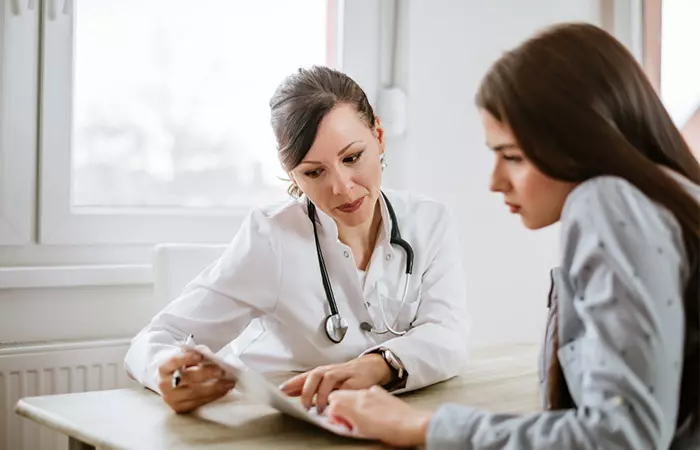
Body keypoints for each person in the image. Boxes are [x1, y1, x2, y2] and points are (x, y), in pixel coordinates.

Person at [324, 23, 700, 449]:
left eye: (513, 157)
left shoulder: (606, 201)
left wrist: (424, 428)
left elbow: (620, 436)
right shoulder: (672, 198)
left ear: (584, 142)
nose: (496, 181)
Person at [124, 65, 470, 415]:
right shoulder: (271, 237)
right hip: (273, 423)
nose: (342, 187)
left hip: (377, 422)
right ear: (292, 174)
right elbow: (154, 339)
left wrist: (377, 365)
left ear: (378, 135)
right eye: (313, 172)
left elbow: (448, 334)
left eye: (352, 158)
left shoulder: (429, 221)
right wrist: (167, 373)